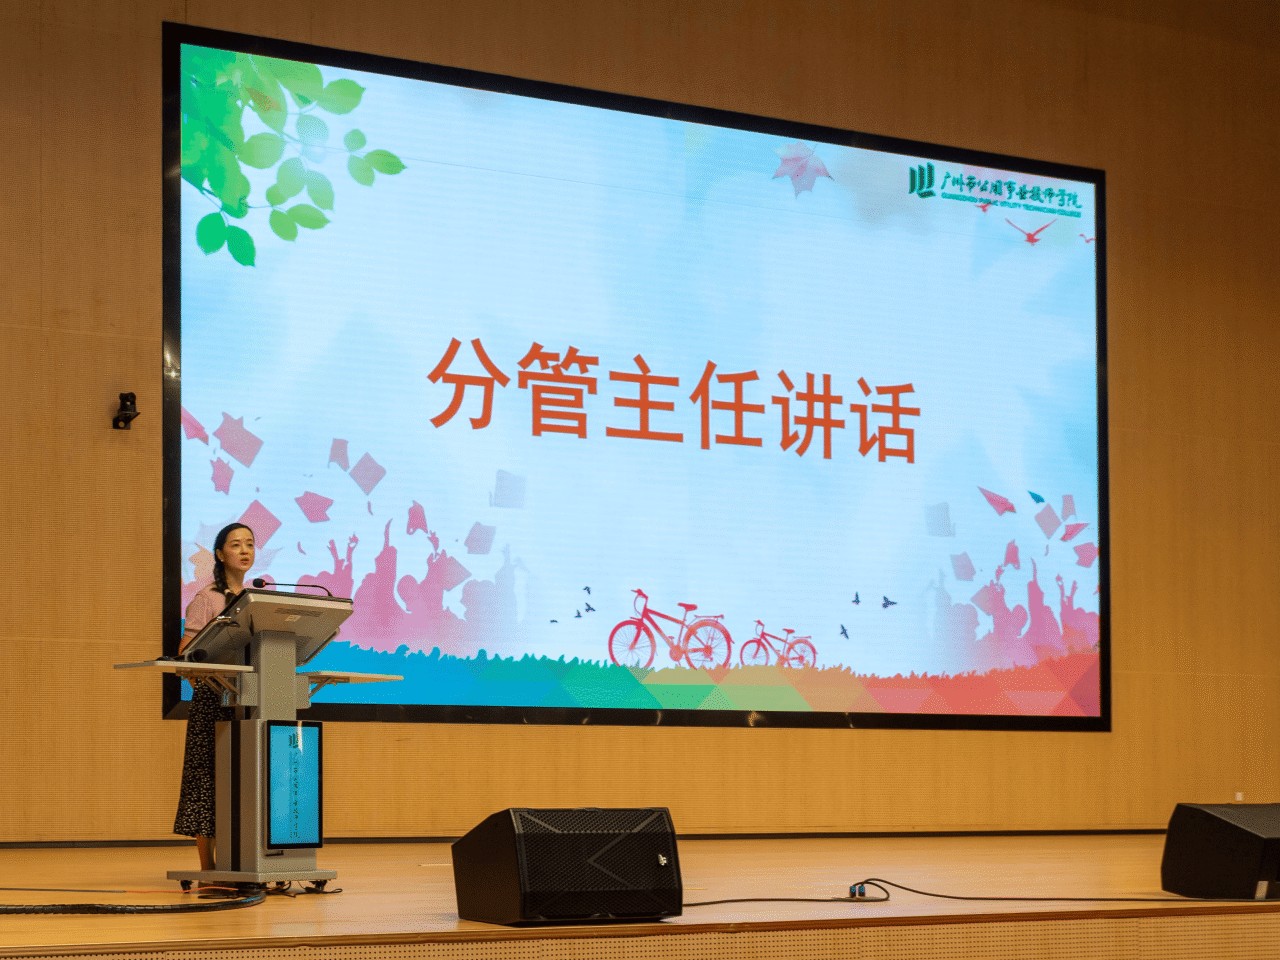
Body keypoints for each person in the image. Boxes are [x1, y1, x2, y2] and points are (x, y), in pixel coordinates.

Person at [173, 522, 255, 871]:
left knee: (244, 780)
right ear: (220, 555)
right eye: (235, 544)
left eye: (249, 544)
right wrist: (205, 676)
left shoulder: (257, 600)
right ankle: (208, 869)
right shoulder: (207, 598)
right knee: (206, 782)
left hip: (249, 700)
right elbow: (185, 653)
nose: (244, 550)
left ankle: (243, 862)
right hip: (214, 701)